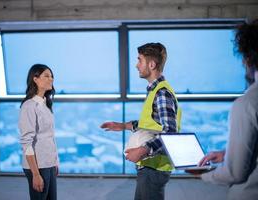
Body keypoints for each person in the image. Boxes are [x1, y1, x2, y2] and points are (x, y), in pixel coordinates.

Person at [101, 43, 181, 200]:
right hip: (151, 166)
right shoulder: (155, 90)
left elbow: (170, 133)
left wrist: (142, 150)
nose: (136, 65)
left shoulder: (162, 93)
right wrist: (123, 126)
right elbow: (151, 124)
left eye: (140, 60)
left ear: (151, 64)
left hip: (155, 167)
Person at [196, 20, 258, 200]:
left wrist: (202, 175)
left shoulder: (247, 104)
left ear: (247, 58)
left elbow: (235, 173)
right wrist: (227, 154)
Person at [19, 64, 59, 200]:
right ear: (35, 79)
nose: (51, 79)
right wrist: (35, 174)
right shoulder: (29, 106)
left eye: (52, 76)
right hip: (37, 165)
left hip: (49, 163)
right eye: (46, 76)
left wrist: (55, 161)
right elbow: (26, 142)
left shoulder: (46, 104)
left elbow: (50, 136)